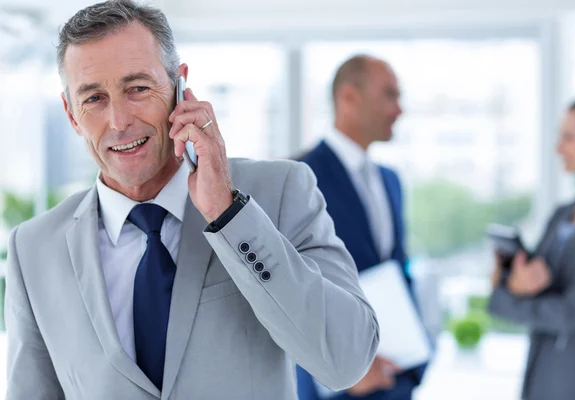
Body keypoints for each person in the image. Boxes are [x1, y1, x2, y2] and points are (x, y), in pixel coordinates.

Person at [4, 2, 380, 399]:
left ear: (180, 87)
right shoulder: (34, 249)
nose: (119, 121)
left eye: (138, 89)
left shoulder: (281, 190)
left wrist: (228, 213)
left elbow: (347, 360)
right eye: (94, 98)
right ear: (70, 113)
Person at [296, 55, 428, 400]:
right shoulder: (297, 176)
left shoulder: (391, 181)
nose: (399, 110)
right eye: (389, 95)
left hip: (396, 374)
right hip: (339, 382)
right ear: (349, 97)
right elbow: (286, 287)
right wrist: (335, 375)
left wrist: (417, 357)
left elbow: (396, 270)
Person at [488, 98, 575, 400]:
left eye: (569, 137)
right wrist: (512, 278)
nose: (558, 148)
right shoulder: (562, 214)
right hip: (543, 376)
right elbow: (531, 282)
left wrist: (503, 296)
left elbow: (570, 313)